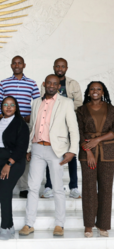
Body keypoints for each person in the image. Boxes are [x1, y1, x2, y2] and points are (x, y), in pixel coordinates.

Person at [19, 74, 79, 237]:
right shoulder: (36, 102)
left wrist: (72, 151)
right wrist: (29, 149)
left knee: (58, 188)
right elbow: (33, 126)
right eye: (49, 83)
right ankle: (29, 223)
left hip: (56, 150)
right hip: (37, 148)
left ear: (59, 86)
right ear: (44, 84)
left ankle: (59, 224)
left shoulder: (66, 103)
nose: (52, 86)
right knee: (32, 187)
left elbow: (73, 129)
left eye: (55, 84)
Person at [0, 55, 40, 198]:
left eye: (20, 63)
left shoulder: (32, 83)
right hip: (7, 123)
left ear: (24, 65)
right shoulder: (4, 83)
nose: (17, 65)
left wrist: (30, 117)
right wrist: (3, 118)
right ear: (11, 66)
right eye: (14, 63)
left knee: (23, 153)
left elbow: (38, 103)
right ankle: (5, 182)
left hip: (24, 124)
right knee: (9, 151)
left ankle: (24, 187)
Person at [0, 96, 29, 240]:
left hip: (13, 161)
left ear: (16, 107)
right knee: (2, 193)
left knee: (5, 191)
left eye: (12, 105)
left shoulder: (20, 124)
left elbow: (22, 147)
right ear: (1, 107)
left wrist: (9, 164)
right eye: (5, 104)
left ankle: (5, 227)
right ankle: (9, 225)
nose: (8, 107)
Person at [40, 58, 82, 199]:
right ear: (53, 67)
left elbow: (79, 103)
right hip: (51, 125)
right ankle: (49, 186)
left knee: (71, 154)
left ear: (66, 68)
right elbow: (43, 102)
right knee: (50, 154)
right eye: (57, 66)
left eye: (62, 66)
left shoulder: (73, 83)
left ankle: (74, 187)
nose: (60, 68)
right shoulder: (46, 84)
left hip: (67, 121)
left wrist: (64, 107)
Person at [77, 81, 114, 238]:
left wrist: (97, 140)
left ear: (103, 92)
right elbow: (79, 133)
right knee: (89, 189)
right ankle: (89, 226)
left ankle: (103, 225)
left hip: (108, 152)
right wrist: (88, 151)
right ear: (88, 92)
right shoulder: (81, 110)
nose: (95, 91)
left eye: (98, 89)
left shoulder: (112, 109)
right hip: (88, 153)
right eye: (92, 89)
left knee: (106, 189)